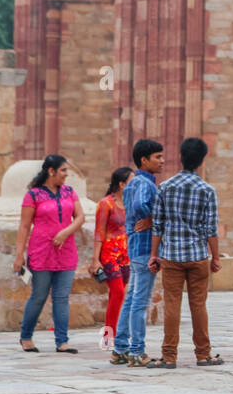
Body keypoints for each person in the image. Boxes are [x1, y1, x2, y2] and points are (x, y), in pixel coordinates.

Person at [147, 137, 223, 368]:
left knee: (172, 305)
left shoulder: (165, 187)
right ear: (202, 160)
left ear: (180, 157)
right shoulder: (207, 190)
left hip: (171, 255)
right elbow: (211, 229)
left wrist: (154, 254)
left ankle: (169, 356)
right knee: (198, 305)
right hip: (198, 255)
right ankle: (203, 354)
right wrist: (216, 257)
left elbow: (158, 225)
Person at [12, 154, 85, 353]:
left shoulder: (70, 192)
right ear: (51, 171)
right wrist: (19, 255)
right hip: (41, 251)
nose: (66, 175)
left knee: (62, 298)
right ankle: (26, 337)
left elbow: (80, 217)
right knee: (39, 296)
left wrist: (65, 232)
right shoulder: (33, 195)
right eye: (63, 170)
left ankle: (62, 342)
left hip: (66, 251)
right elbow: (24, 226)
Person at [111, 139, 163, 367]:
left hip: (134, 247)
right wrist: (152, 219)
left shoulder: (131, 184)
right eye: (157, 157)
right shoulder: (145, 183)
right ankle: (136, 351)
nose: (162, 161)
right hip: (145, 249)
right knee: (140, 301)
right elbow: (142, 205)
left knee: (132, 298)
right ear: (144, 159)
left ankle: (120, 348)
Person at [90, 166, 133, 348]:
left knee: (117, 296)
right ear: (122, 184)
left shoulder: (131, 203)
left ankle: (112, 333)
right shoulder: (105, 204)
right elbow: (99, 232)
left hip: (126, 254)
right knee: (118, 292)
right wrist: (95, 259)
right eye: (132, 181)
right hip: (109, 254)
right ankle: (111, 336)